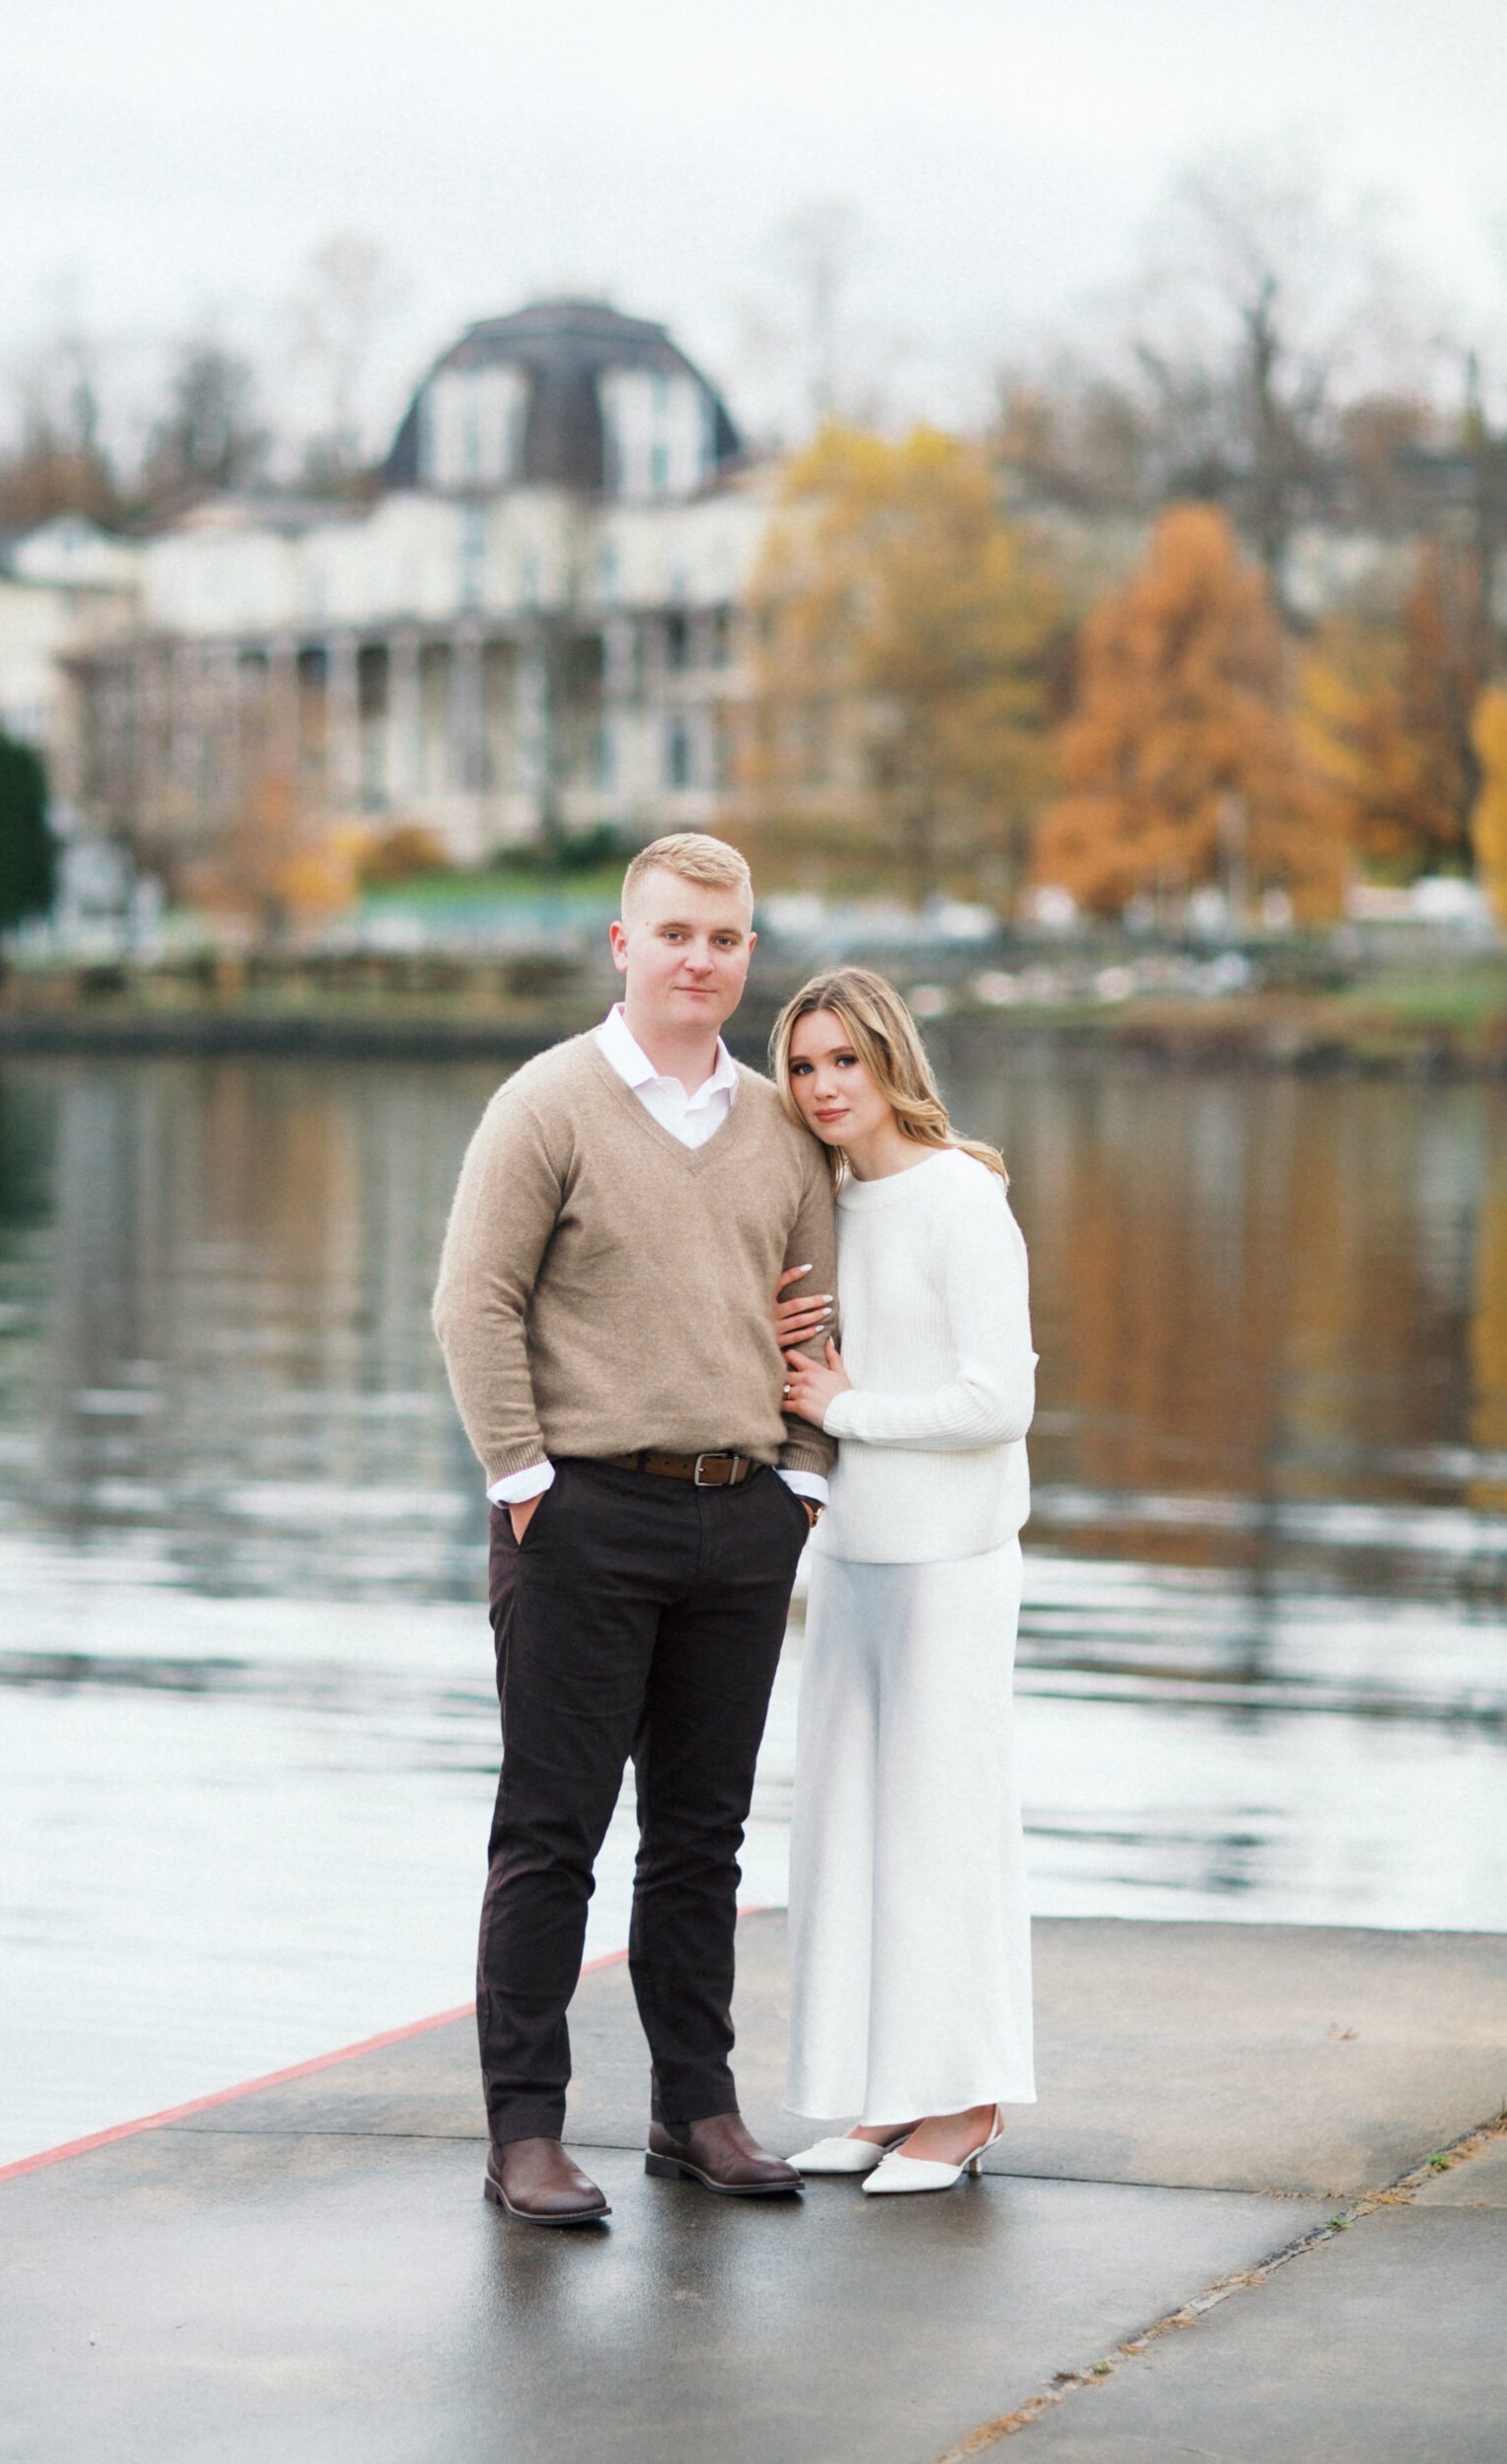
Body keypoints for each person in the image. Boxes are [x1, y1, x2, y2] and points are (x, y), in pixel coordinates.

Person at [432, 833, 836, 2227]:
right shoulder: (546, 1104)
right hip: (583, 1516)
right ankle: (526, 2133)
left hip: (742, 1522)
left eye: (725, 939)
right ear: (625, 944)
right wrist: (525, 1482)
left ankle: (694, 2109)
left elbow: (813, 1320)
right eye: (675, 934)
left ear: (747, 950)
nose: (701, 960)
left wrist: (806, 1482)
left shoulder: (783, 1128)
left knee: (702, 1839)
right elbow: (471, 1304)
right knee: (552, 1832)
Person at [769, 967, 1037, 2195]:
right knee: (850, 1835)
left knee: (941, 1834)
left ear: (888, 1062)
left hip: (951, 1562)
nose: (824, 1086)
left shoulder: (960, 1199)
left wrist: (849, 1405)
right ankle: (885, 2098)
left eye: (842, 1060)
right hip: (852, 1557)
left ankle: (965, 2102)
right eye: (804, 1065)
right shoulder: (825, 1205)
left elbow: (1000, 1402)